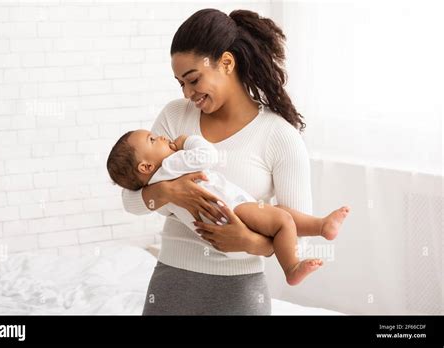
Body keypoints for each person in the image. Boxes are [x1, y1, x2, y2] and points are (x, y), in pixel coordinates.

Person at [121, 8, 327, 315]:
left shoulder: (279, 137)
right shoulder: (175, 117)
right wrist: (169, 193)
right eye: (181, 84)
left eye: (193, 79)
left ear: (227, 63)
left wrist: (247, 241)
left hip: (240, 292)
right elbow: (131, 199)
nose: (188, 93)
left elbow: (299, 241)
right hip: (172, 283)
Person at [108, 129, 350, 285]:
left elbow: (139, 200)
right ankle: (292, 265)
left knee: (280, 216)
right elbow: (207, 155)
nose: (160, 136)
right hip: (234, 210)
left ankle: (320, 227)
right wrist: (187, 141)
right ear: (145, 167)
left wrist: (249, 242)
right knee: (283, 220)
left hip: (221, 231)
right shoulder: (173, 162)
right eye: (152, 139)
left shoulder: (156, 183)